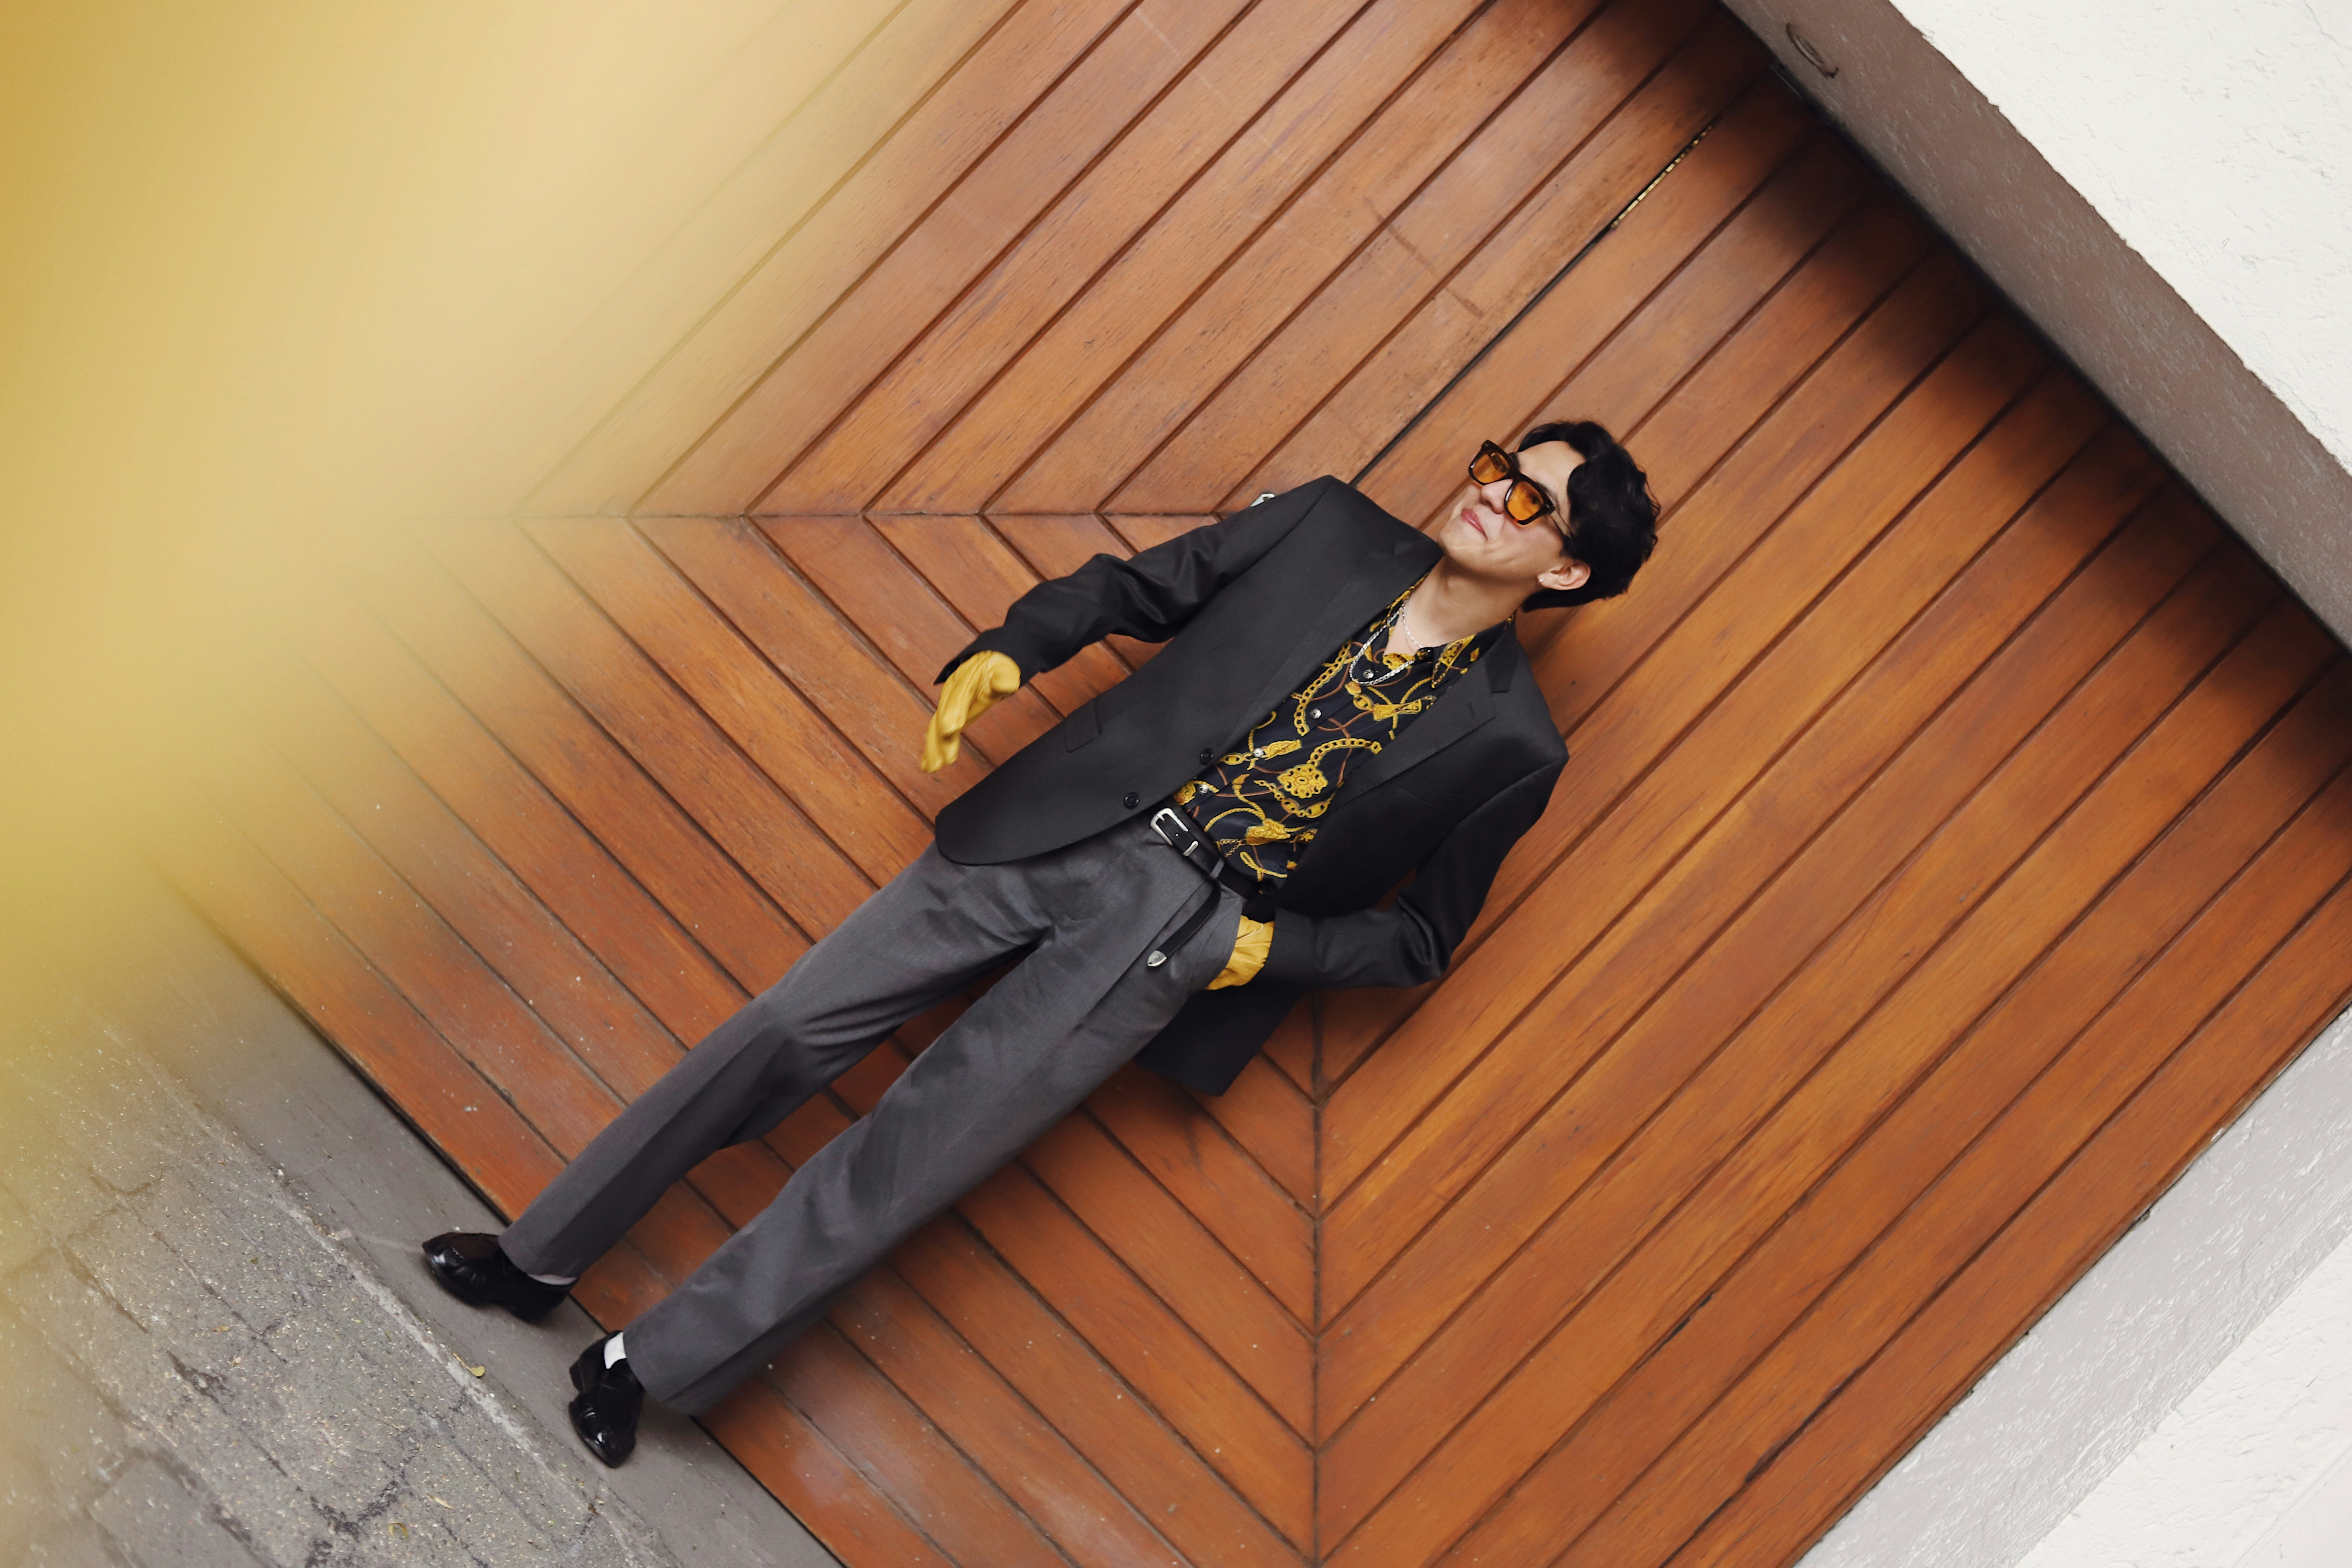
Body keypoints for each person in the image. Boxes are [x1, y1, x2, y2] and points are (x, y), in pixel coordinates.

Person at [421, 422, 1659, 1466]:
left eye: (1528, 504)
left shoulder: (1515, 747)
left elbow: (1420, 940)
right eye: (1499, 463)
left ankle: (644, 1363)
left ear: (1562, 573)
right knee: (785, 1031)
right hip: (1056, 826)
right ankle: (539, 1257)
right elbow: (1139, 588)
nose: (1487, 496)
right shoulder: (1329, 527)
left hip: (1177, 934)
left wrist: (1257, 951)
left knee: (904, 1161)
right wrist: (1012, 647)